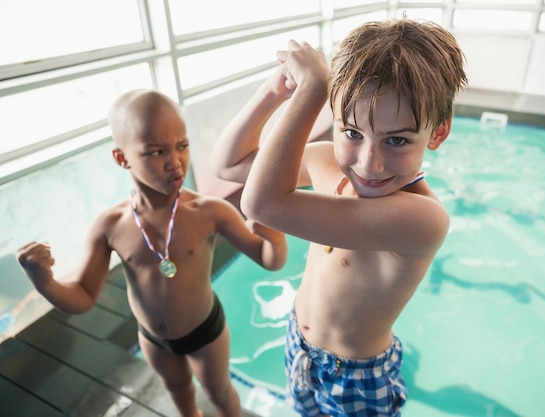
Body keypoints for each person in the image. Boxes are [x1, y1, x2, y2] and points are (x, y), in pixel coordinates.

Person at [211, 17, 467, 417]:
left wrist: (312, 90)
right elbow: (229, 165)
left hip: (358, 376)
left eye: (397, 139)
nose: (369, 162)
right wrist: (274, 91)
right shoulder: (326, 163)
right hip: (298, 344)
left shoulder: (422, 219)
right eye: (352, 132)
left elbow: (259, 203)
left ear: (437, 133)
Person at [15, 89, 288, 417]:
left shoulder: (210, 211)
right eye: (156, 152)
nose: (175, 162)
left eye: (182, 146)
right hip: (153, 339)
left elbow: (271, 261)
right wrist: (43, 281)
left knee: (219, 392)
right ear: (122, 158)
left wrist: (274, 235)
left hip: (206, 333)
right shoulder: (110, 225)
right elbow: (83, 297)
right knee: (178, 391)